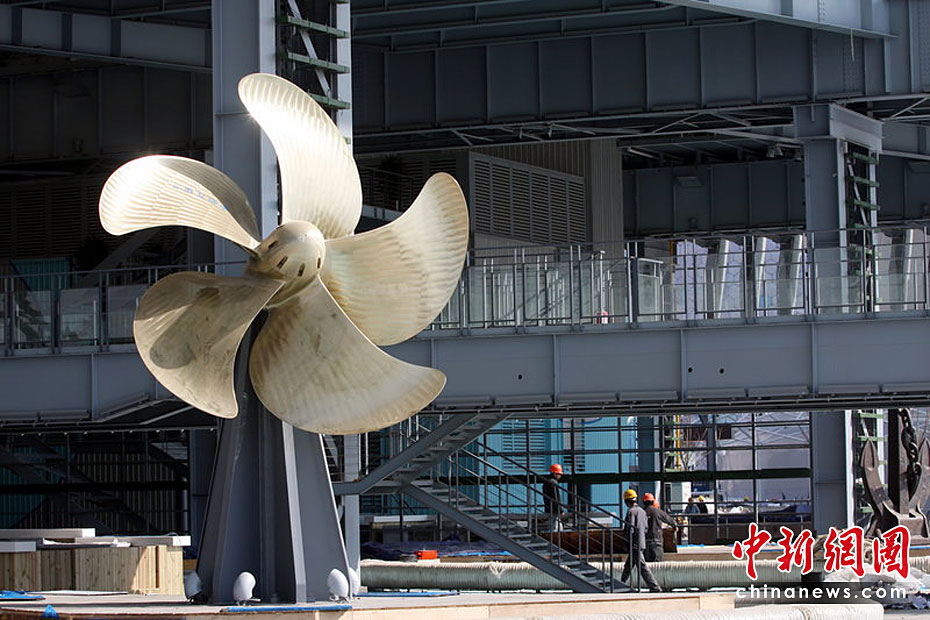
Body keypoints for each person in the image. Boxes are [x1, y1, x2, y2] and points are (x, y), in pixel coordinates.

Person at [620, 489, 662, 592]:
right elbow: (646, 528)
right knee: (628, 566)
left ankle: (655, 587)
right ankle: (621, 583)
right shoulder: (642, 511)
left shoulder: (631, 512)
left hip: (634, 543)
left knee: (642, 566)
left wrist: (627, 542)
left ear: (626, 501)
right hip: (641, 542)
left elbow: (630, 528)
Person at [642, 492, 676, 562]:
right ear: (652, 501)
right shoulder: (657, 511)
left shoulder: (641, 512)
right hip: (656, 541)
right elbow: (670, 520)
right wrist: (674, 526)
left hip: (644, 542)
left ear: (644, 502)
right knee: (658, 565)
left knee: (646, 565)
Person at [542, 464, 564, 532]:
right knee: (556, 528)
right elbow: (556, 497)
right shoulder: (553, 483)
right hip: (554, 509)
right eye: (559, 474)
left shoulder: (546, 482)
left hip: (549, 508)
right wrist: (560, 510)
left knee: (554, 525)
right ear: (555, 473)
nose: (560, 476)